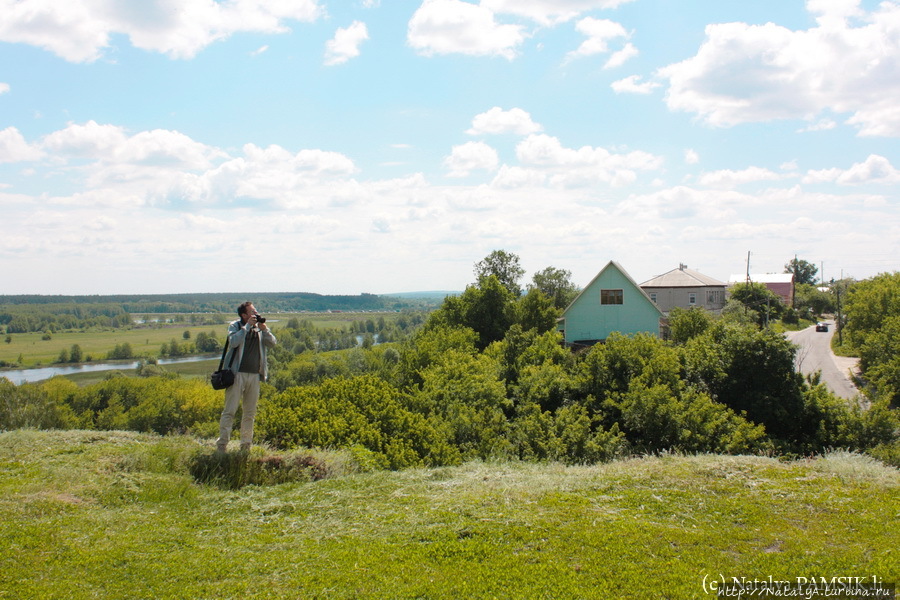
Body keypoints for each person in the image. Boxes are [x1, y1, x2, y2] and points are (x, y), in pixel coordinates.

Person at [216, 301, 277, 453]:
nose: (255, 314)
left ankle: (245, 446)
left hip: (254, 375)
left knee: (249, 413)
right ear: (244, 315)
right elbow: (234, 342)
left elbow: (272, 343)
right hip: (236, 374)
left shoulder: (259, 328)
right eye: (252, 312)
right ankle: (222, 445)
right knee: (230, 411)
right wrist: (247, 326)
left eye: (256, 311)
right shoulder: (235, 326)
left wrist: (264, 329)